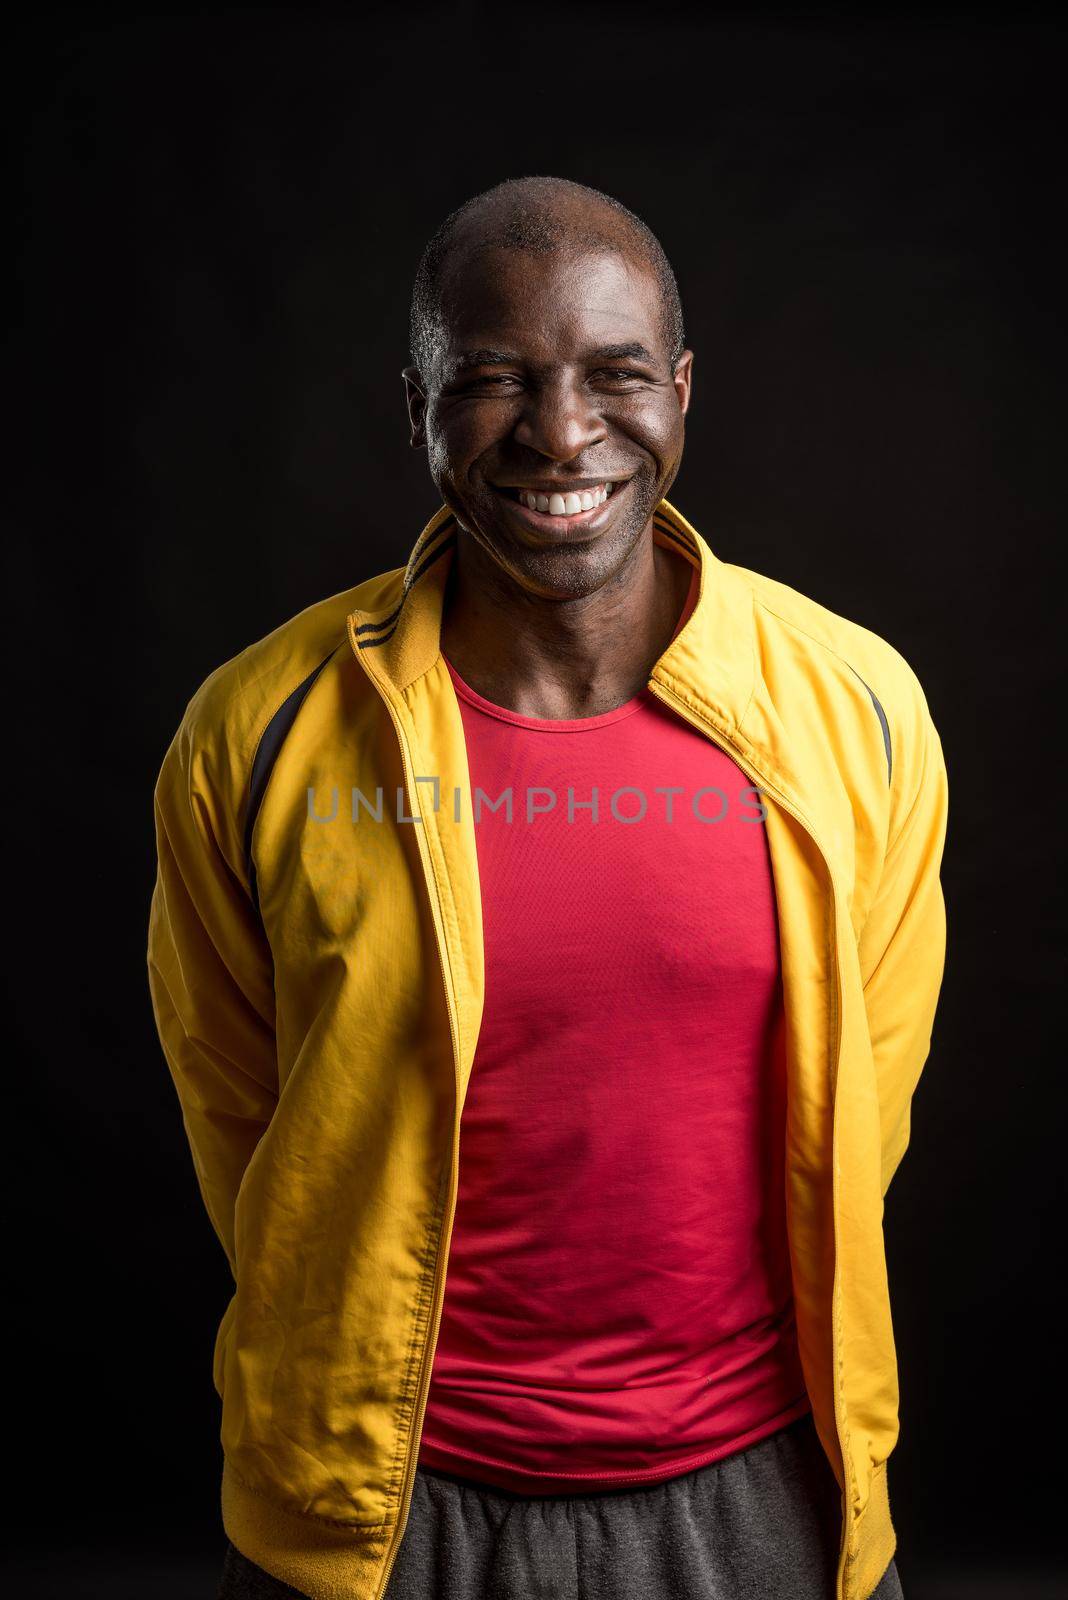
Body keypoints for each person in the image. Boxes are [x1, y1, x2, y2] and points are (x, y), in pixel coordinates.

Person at [147, 176, 948, 1600]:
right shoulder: (258, 732)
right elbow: (251, 1131)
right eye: (497, 380)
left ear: (684, 393)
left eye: (616, 376)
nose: (563, 432)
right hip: (384, 1514)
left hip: (768, 1493)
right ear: (418, 408)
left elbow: (864, 1113)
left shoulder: (856, 710)